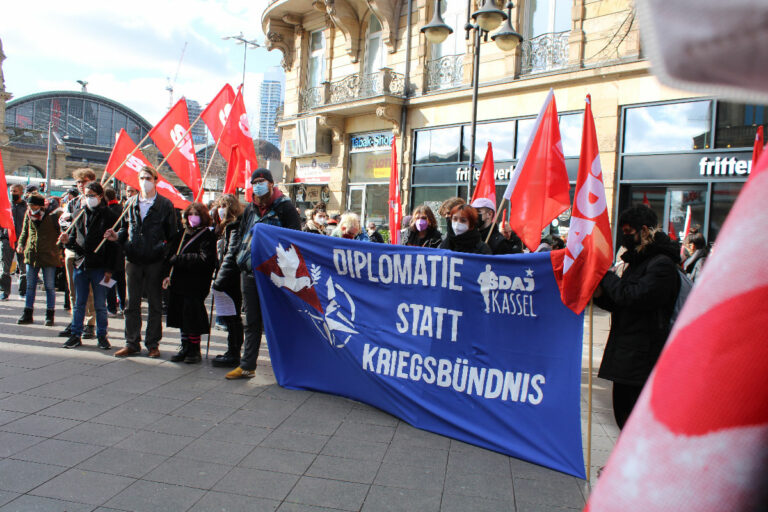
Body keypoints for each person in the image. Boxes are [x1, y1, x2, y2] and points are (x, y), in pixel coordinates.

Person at [592, 205, 680, 429]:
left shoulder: (662, 264)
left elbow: (634, 297)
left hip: (643, 357)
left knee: (634, 419)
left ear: (643, 230)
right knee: (622, 414)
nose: (624, 237)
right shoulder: (638, 262)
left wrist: (606, 276)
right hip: (627, 353)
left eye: (629, 232)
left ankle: (634, 463)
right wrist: (601, 296)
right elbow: (622, 302)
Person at [224, 168, 301, 379]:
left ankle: (289, 366)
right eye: (255, 181)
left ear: (271, 183)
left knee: (279, 319)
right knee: (251, 320)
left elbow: (294, 240)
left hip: (275, 274)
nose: (258, 184)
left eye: (262, 180)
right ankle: (247, 365)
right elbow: (240, 235)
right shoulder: (250, 208)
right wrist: (238, 258)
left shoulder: (285, 208)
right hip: (249, 272)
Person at [104, 166, 177, 358]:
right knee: (131, 304)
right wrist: (117, 237)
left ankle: (153, 343)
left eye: (148, 178)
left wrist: (163, 255)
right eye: (142, 178)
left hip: (155, 261)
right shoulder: (129, 203)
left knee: (154, 304)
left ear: (155, 180)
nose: (145, 181)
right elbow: (124, 229)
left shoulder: (165, 205)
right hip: (133, 259)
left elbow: (172, 236)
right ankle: (131, 342)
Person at [57, 182, 118, 350]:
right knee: (79, 303)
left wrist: (109, 271)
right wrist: (66, 242)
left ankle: (102, 335)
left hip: (100, 267)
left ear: (100, 196)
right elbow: (74, 240)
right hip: (81, 265)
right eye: (86, 195)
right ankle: (75, 334)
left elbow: (113, 247)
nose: (88, 198)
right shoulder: (79, 213)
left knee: (100, 304)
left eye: (92, 195)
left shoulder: (109, 216)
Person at [162, 203, 217, 364]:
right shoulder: (181, 234)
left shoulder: (207, 235)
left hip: (195, 282)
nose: (193, 217)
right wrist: (166, 274)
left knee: (192, 316)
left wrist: (180, 259)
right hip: (179, 281)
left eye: (196, 214)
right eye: (190, 214)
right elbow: (170, 255)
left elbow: (205, 259)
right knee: (181, 315)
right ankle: (184, 345)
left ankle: (194, 349)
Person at [59, 168, 98, 340]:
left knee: (88, 290)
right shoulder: (73, 202)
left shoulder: (96, 203)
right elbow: (64, 222)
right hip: (71, 249)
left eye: (84, 181)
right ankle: (76, 320)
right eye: (79, 182)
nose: (81, 185)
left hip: (87, 252)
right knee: (72, 289)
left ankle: (90, 323)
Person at [15, 194, 61, 325]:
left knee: (49, 286)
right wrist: (21, 244)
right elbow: (25, 231)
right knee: (30, 286)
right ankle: (27, 313)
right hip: (32, 254)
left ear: (41, 206)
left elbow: (60, 233)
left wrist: (59, 250)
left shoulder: (53, 216)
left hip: (48, 254)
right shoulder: (28, 214)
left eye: (33, 205)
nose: (31, 208)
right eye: (30, 205)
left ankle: (50, 315)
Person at [211, 194, 245, 368]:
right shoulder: (225, 227)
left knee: (233, 317)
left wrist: (220, 279)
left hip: (231, 278)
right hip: (228, 276)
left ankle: (234, 354)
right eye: (219, 205)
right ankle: (231, 351)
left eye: (224, 205)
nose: (220, 209)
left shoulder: (235, 226)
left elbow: (232, 254)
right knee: (230, 317)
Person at [0, 184, 27, 300]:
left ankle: (23, 292)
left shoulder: (26, 207)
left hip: (22, 241)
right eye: (11, 191)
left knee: (23, 268)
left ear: (21, 192)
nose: (12, 193)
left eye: (15, 191)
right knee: (4, 268)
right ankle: (4, 292)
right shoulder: (5, 206)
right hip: (7, 240)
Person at [103, 187, 126, 316]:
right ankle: (123, 305)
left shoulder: (107, 212)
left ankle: (111, 307)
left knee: (108, 280)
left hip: (110, 251)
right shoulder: (122, 210)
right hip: (121, 251)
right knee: (121, 281)